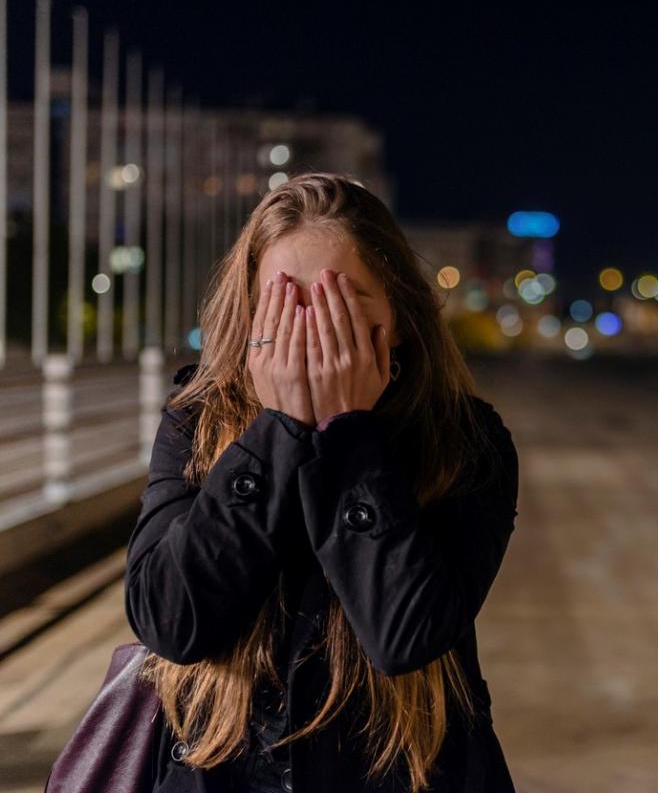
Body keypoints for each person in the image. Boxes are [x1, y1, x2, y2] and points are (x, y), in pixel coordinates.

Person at [125, 172, 520, 792]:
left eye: (341, 302)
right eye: (285, 303)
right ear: (251, 314)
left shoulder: (465, 441)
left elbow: (405, 634)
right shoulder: (197, 422)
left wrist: (348, 433)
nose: (311, 329)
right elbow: (171, 621)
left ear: (398, 315)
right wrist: (276, 431)